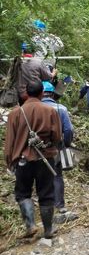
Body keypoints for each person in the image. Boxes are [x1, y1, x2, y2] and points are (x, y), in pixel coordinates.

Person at [4, 80, 62, 239]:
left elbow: (9, 142)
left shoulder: (15, 113)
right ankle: (48, 230)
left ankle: (30, 225)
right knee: (46, 193)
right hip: (45, 159)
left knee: (22, 193)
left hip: (23, 160)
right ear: (42, 93)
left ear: (26, 94)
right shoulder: (50, 111)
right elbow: (57, 136)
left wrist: (9, 160)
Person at [42, 81, 74, 213]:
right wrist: (66, 144)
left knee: (39, 175)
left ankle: (44, 206)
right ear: (52, 94)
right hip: (56, 145)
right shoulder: (61, 108)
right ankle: (60, 205)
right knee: (57, 175)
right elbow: (69, 130)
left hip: (35, 147)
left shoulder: (32, 108)